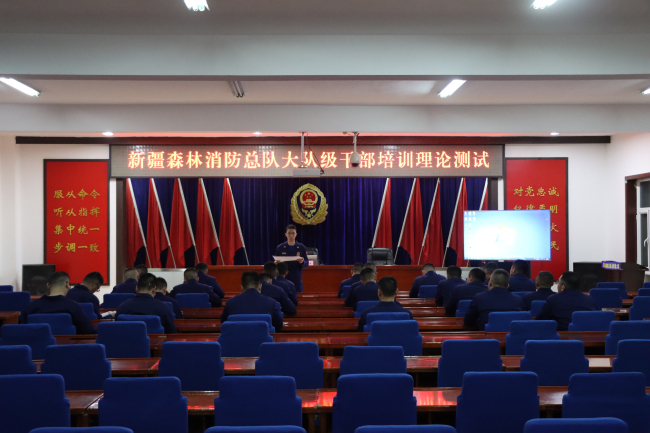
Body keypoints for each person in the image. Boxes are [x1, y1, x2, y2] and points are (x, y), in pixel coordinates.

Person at [20, 271, 95, 334]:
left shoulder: (31, 307)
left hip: (37, 346)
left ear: (48, 285)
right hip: (67, 346)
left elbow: (22, 329)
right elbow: (89, 331)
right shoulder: (74, 307)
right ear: (67, 284)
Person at [274, 224, 309, 292]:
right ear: (286, 234)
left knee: (297, 296)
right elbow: (276, 263)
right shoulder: (280, 247)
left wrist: (302, 262)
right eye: (289, 233)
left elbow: (306, 264)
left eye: (293, 233)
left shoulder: (301, 247)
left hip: (296, 278)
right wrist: (276, 263)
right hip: (283, 278)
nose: (291, 235)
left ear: (296, 234)